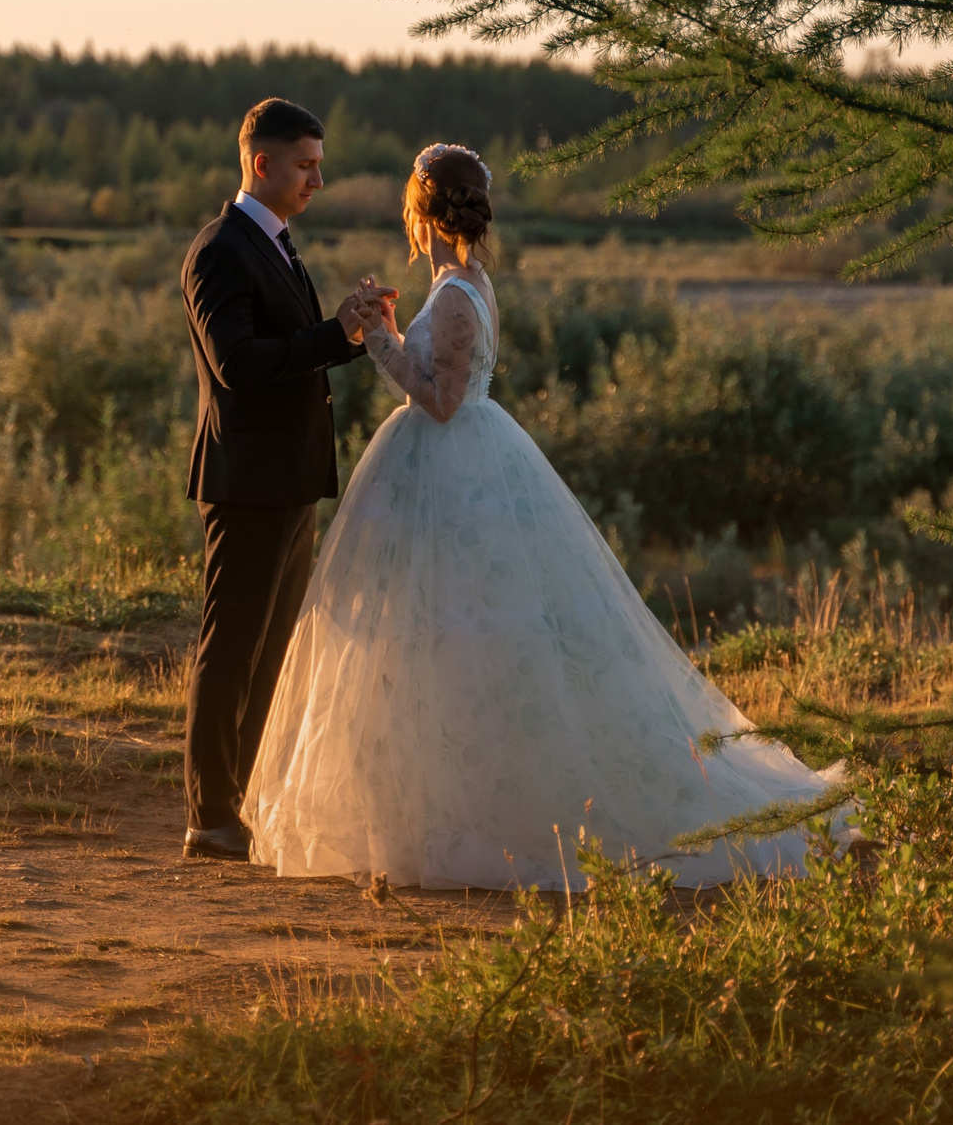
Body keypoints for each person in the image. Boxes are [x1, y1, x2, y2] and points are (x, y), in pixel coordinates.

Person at [241, 143, 843, 889]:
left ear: (420, 212)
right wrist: (393, 331)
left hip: (457, 476)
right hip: (454, 472)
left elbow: (440, 400)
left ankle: (490, 811)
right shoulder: (459, 285)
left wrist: (376, 341)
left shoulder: (459, 293)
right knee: (444, 640)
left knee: (469, 636)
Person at [177, 98, 394, 863]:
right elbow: (238, 365)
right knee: (231, 649)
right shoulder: (219, 251)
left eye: (319, 164)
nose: (318, 179)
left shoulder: (273, 244)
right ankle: (209, 817)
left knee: (268, 651)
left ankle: (242, 805)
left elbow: (291, 347)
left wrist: (347, 330)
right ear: (262, 164)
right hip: (246, 482)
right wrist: (336, 334)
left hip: (289, 480)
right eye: (306, 165)